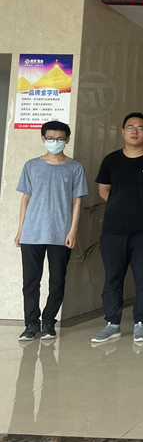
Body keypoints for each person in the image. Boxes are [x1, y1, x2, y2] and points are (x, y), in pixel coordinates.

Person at [91, 112, 143, 344]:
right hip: (114, 230)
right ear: (123, 131)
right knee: (113, 278)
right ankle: (112, 324)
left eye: (140, 128)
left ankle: (140, 323)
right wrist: (122, 205)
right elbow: (104, 190)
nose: (135, 131)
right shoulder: (111, 160)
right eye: (130, 127)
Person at [15, 121, 89, 341]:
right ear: (43, 138)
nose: (54, 142)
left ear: (67, 140)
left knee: (57, 280)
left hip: (60, 233)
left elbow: (77, 201)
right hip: (32, 233)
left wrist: (73, 230)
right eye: (50, 138)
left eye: (59, 139)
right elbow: (25, 198)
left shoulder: (75, 167)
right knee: (30, 281)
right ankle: (31, 324)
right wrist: (20, 230)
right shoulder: (31, 165)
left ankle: (48, 322)